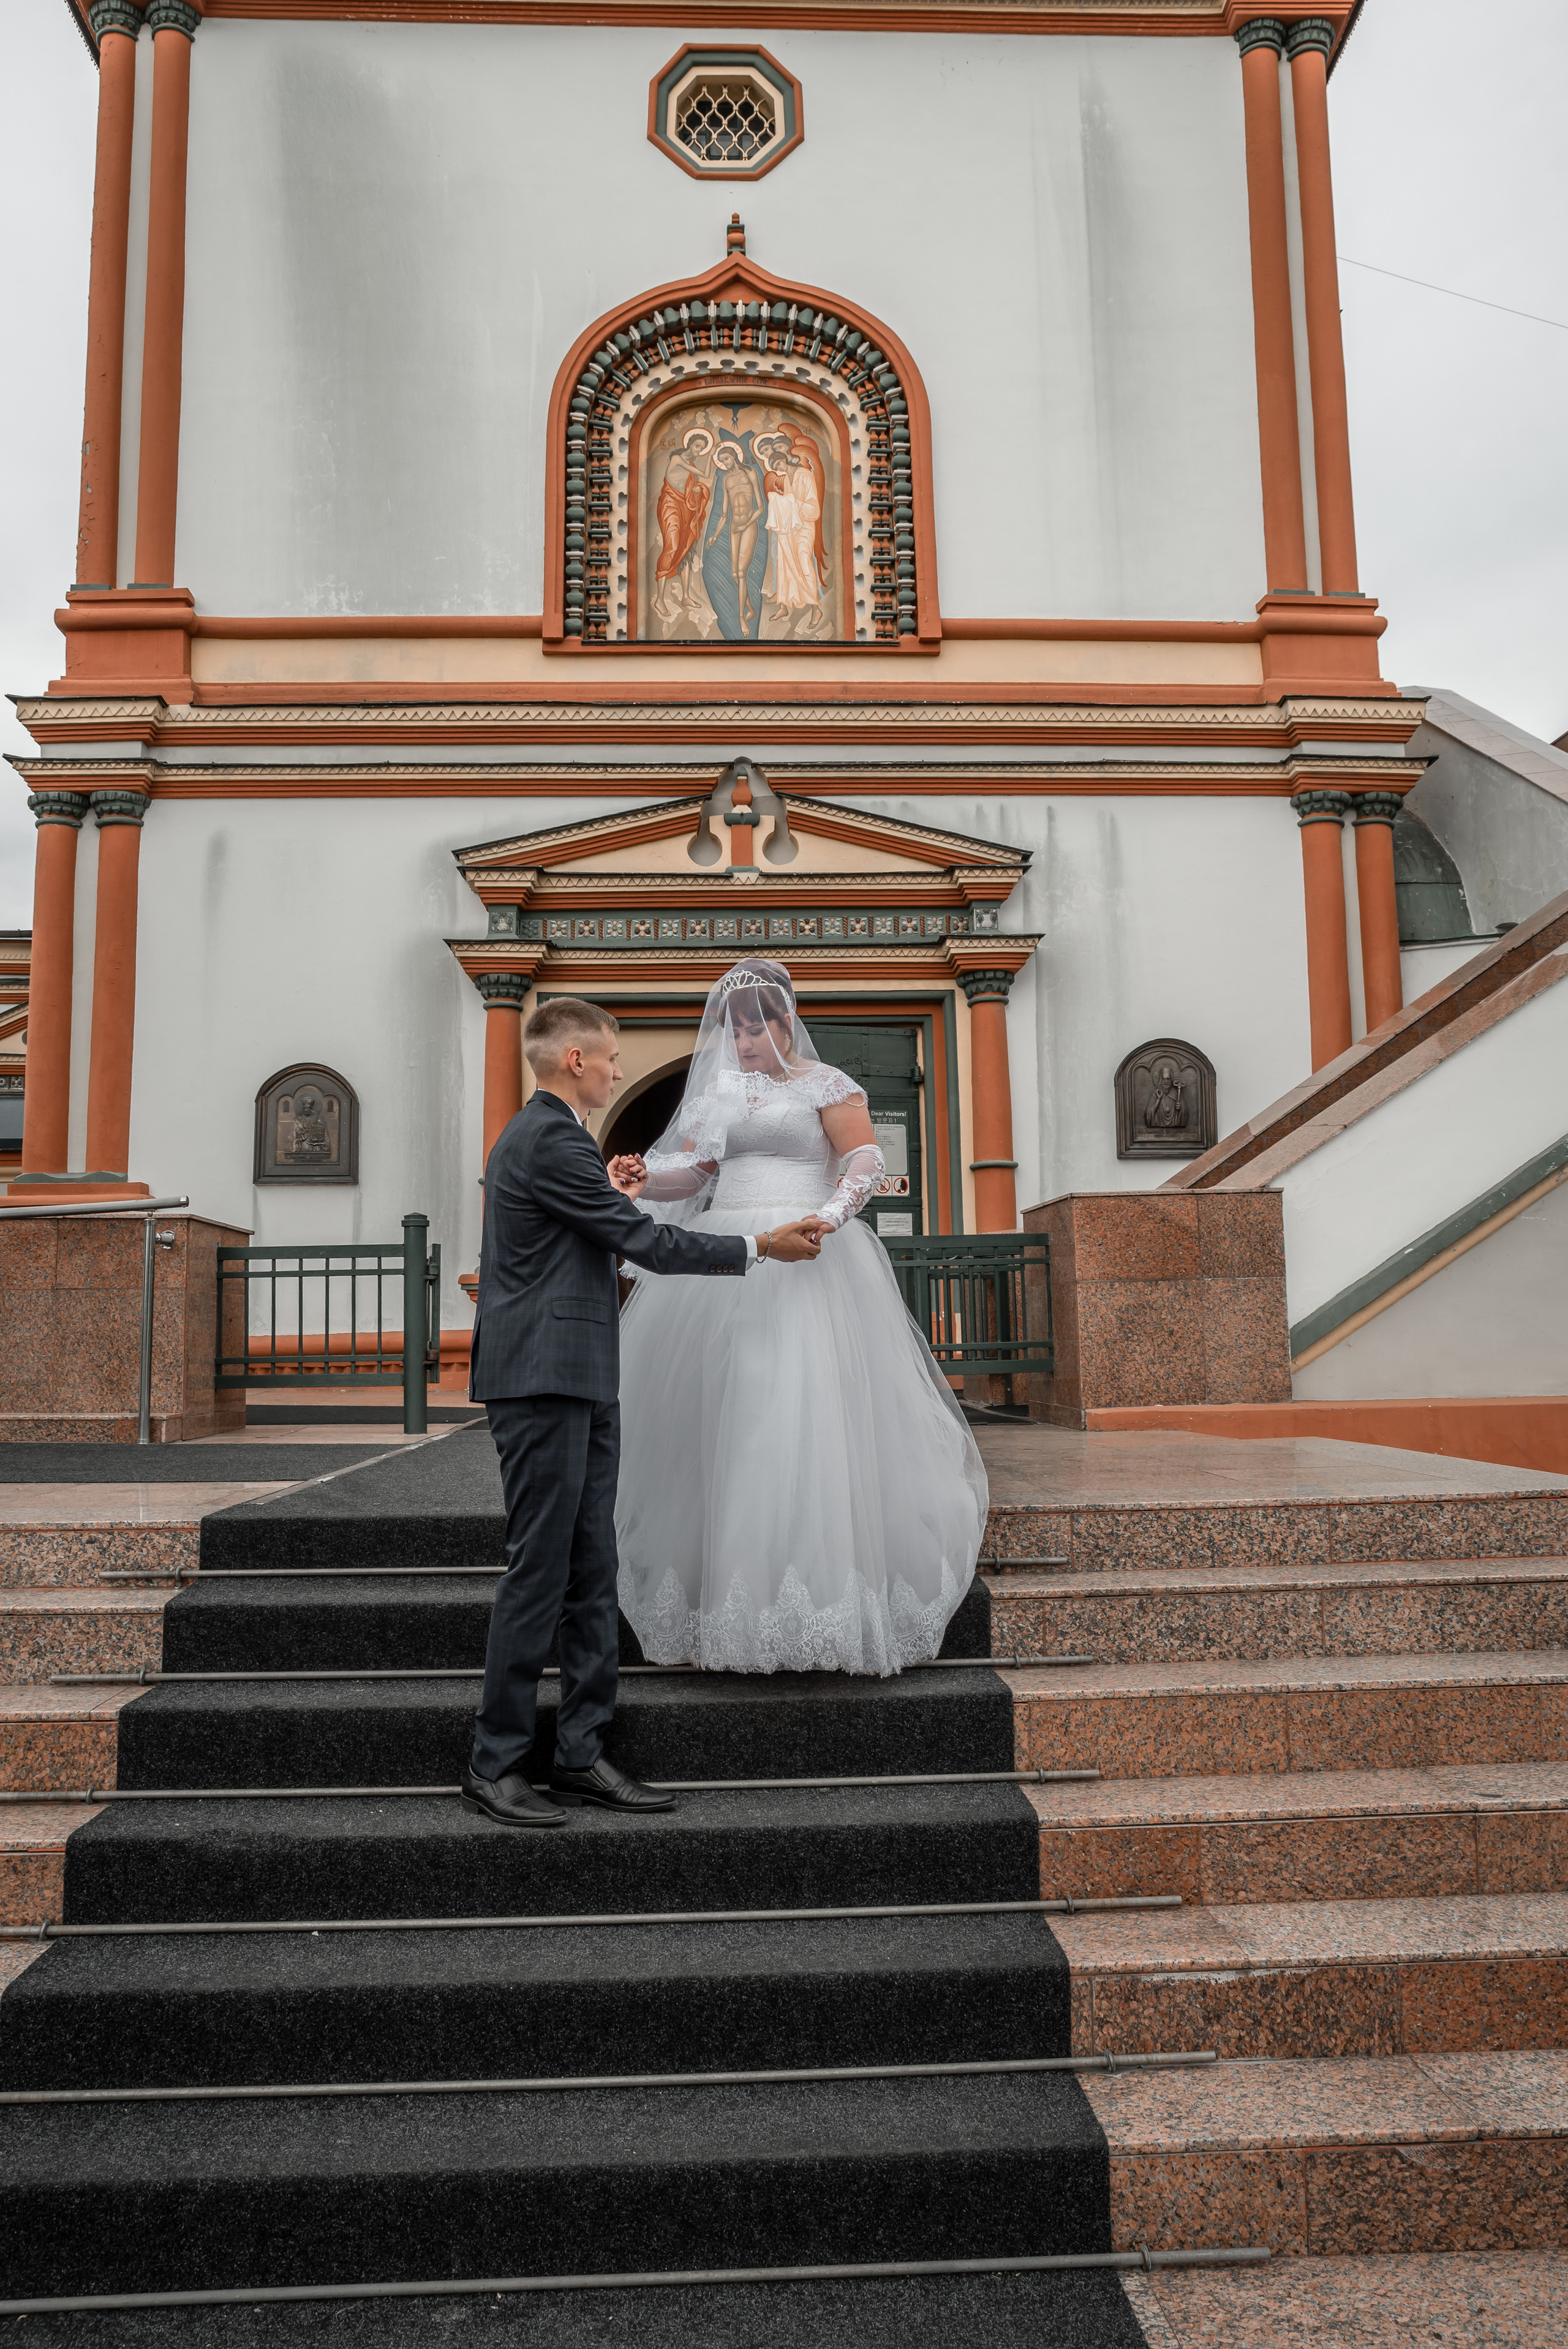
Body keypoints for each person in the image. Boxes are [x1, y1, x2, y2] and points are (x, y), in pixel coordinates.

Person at [462, 995, 827, 1830]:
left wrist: (619, 1186)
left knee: (594, 1569)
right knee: (540, 1572)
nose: (624, 1069)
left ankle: (581, 1752)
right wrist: (756, 1245)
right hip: (542, 1379)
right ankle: (495, 1761)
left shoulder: (564, 1142)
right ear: (577, 1061)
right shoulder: (546, 1138)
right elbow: (646, 1242)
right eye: (614, 1056)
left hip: (583, 1372)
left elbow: (603, 1226)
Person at [608, 959, 989, 1674]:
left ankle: (816, 1600)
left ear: (785, 1022)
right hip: (726, 1254)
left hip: (809, 1253)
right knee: (722, 1412)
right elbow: (695, 1174)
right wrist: (641, 1177)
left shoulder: (827, 1084)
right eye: (733, 1029)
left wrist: (831, 1216)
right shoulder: (719, 1092)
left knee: (795, 1407)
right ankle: (720, 1596)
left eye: (754, 1028)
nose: (743, 1043)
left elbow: (865, 1160)